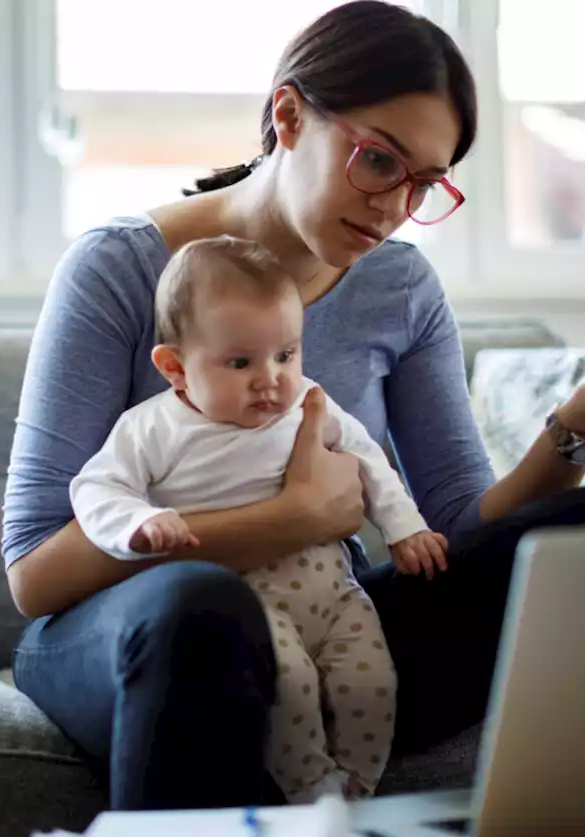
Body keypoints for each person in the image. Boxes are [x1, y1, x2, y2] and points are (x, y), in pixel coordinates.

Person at [3, 0, 585, 811]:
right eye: (377, 161)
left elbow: (461, 531)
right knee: (205, 611)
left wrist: (583, 419)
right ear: (288, 114)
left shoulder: (401, 286)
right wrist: (293, 515)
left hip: (320, 616)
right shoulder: (119, 269)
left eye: (425, 183)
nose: (395, 207)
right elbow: (34, 573)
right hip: (130, 630)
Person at [70, 235, 449, 803]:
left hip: (335, 589)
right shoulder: (153, 427)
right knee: (290, 688)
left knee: (370, 682)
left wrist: (405, 528)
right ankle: (314, 790)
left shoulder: (309, 403)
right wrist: (135, 526)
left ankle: (355, 790)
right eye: (240, 362)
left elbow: (369, 460)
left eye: (286, 355)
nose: (270, 379)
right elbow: (97, 487)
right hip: (249, 595)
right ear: (175, 367)